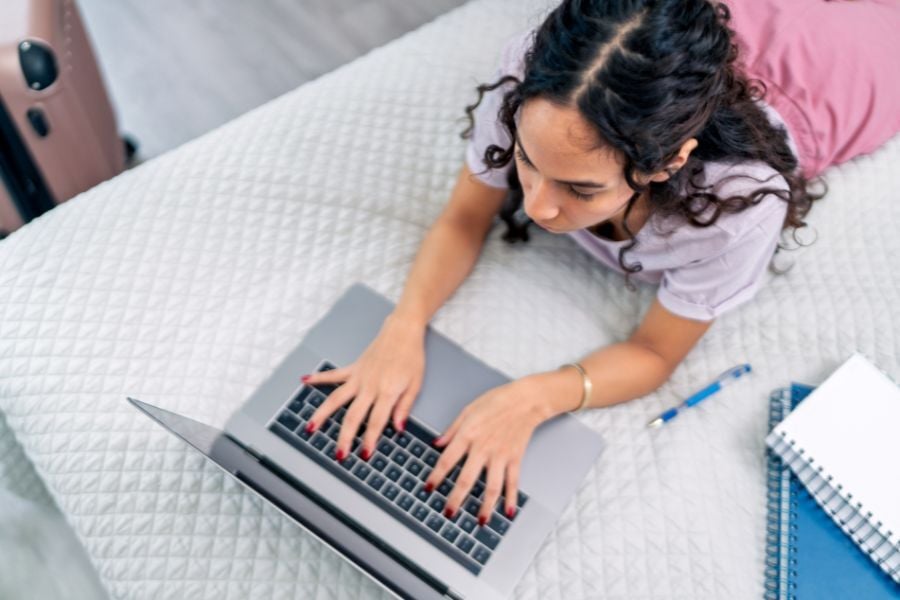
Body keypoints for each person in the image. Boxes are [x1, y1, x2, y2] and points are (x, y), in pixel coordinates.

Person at [302, 0, 900, 526]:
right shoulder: (531, 84)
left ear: (666, 165)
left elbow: (656, 352)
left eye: (579, 191)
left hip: (839, 74)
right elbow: (463, 217)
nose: (537, 207)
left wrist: (534, 398)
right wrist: (403, 327)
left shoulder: (736, 207)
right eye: (527, 162)